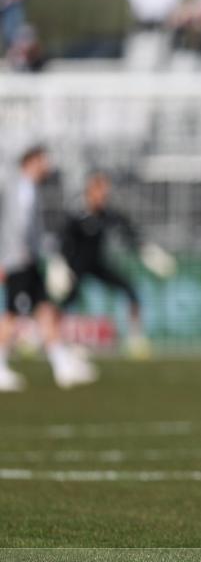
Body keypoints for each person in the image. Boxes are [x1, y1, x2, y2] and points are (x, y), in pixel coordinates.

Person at [0, 146, 97, 391]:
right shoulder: (19, 188)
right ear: (32, 161)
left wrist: (45, 251)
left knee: (45, 309)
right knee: (13, 313)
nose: (48, 166)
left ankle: (61, 365)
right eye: (43, 161)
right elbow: (15, 227)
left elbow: (31, 230)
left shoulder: (30, 188)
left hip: (28, 259)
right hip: (18, 260)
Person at [55, 171, 176, 358]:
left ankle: (136, 339)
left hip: (97, 265)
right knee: (64, 302)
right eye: (100, 192)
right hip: (75, 267)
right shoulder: (77, 215)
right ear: (90, 192)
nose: (104, 197)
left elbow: (128, 233)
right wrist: (61, 265)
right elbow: (63, 241)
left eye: (106, 193)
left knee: (131, 290)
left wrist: (147, 251)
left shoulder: (107, 215)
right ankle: (54, 341)